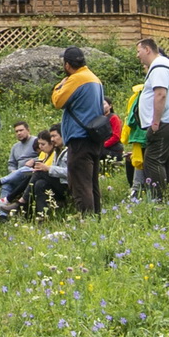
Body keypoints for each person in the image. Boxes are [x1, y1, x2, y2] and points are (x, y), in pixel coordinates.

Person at [51, 46, 107, 215]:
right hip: (93, 137)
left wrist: (60, 85)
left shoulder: (76, 79)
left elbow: (58, 101)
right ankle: (95, 218)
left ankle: (86, 221)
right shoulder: (94, 78)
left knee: (80, 184)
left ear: (67, 65)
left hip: (79, 138)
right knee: (91, 183)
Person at [134, 36, 169, 200]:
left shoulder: (159, 67)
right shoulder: (166, 65)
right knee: (168, 160)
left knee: (152, 160)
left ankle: (160, 198)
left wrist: (155, 122)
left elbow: (160, 94)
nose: (138, 55)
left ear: (147, 49)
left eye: (139, 51)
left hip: (164, 122)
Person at [0, 131, 61, 217]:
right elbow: (11, 163)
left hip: (59, 182)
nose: (40, 147)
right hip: (45, 180)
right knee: (38, 183)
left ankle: (17, 201)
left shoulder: (56, 153)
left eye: (43, 144)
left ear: (51, 144)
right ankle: (38, 216)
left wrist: (45, 168)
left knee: (36, 175)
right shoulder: (43, 154)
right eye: (39, 144)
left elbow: (57, 171)